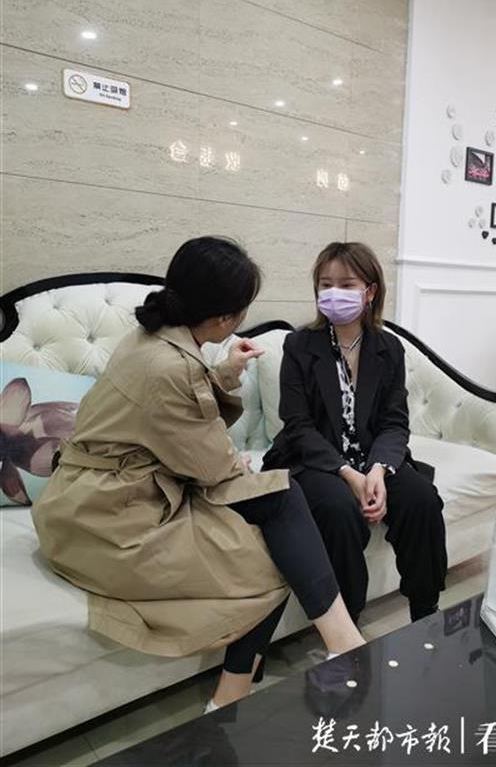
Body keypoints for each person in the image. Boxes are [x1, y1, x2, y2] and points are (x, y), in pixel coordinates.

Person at [32, 237, 364, 711]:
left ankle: (293, 668)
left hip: (92, 498)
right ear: (227, 318)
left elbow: (167, 410)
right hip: (109, 521)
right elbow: (211, 465)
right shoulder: (172, 365)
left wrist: (224, 374)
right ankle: (329, 651)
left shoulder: (149, 337)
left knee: (281, 506)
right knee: (273, 545)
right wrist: (236, 462)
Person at [263, 242, 448, 624]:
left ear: (370, 291)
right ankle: (347, 626)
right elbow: (297, 426)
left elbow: (394, 421)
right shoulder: (299, 346)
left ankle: (425, 613)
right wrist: (349, 474)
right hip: (315, 460)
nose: (334, 293)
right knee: (337, 510)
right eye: (325, 284)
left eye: (347, 285)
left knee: (421, 500)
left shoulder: (389, 348)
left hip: (372, 457)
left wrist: (377, 470)